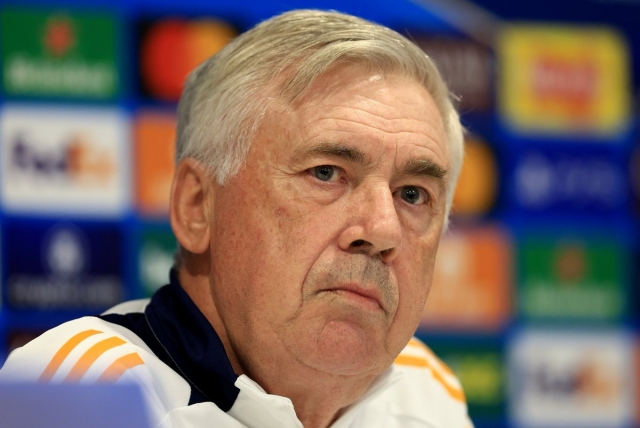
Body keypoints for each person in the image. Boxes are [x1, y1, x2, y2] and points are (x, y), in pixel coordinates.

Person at [0, 9, 471, 428]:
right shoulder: (83, 391)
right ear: (197, 206)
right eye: (326, 173)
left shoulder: (426, 392)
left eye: (413, 194)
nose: (383, 229)